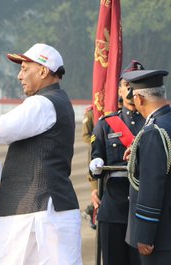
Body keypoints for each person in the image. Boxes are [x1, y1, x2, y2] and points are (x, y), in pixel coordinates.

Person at [0, 43, 82, 265]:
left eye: (25, 69)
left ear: (43, 71)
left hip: (34, 210)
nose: (19, 76)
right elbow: (5, 125)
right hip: (44, 209)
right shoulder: (54, 101)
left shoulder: (41, 103)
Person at [89, 60, 145, 265]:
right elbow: (96, 160)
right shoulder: (106, 125)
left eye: (137, 84)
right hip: (113, 208)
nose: (131, 90)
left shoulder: (155, 122)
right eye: (127, 85)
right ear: (120, 90)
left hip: (145, 208)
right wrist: (95, 167)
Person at [123, 69, 171, 265]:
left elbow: (152, 185)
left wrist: (145, 233)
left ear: (139, 99)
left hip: (160, 237)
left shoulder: (154, 131)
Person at [81, 105, 97, 229]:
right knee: (97, 190)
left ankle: (90, 211)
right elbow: (85, 136)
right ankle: (91, 213)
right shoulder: (91, 113)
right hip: (96, 153)